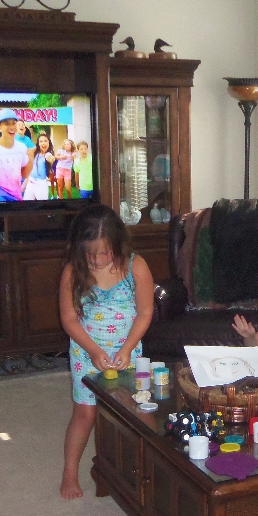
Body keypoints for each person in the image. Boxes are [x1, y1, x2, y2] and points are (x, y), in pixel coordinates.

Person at [58, 204, 155, 499]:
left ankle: (148, 469)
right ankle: (70, 472)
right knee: (85, 413)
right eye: (91, 254)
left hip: (128, 353)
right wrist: (92, 350)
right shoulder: (73, 271)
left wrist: (127, 348)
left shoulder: (136, 266)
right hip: (86, 354)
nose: (98, 260)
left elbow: (145, 312)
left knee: (137, 409)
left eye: (105, 253)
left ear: (118, 245)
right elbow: (69, 320)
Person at [23, 131, 55, 200]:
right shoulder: (35, 154)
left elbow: (51, 159)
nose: (43, 143)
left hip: (41, 185)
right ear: (38, 143)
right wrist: (24, 185)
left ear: (49, 143)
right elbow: (31, 170)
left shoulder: (48, 154)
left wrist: (51, 159)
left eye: (45, 141)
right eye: (41, 141)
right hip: (30, 184)